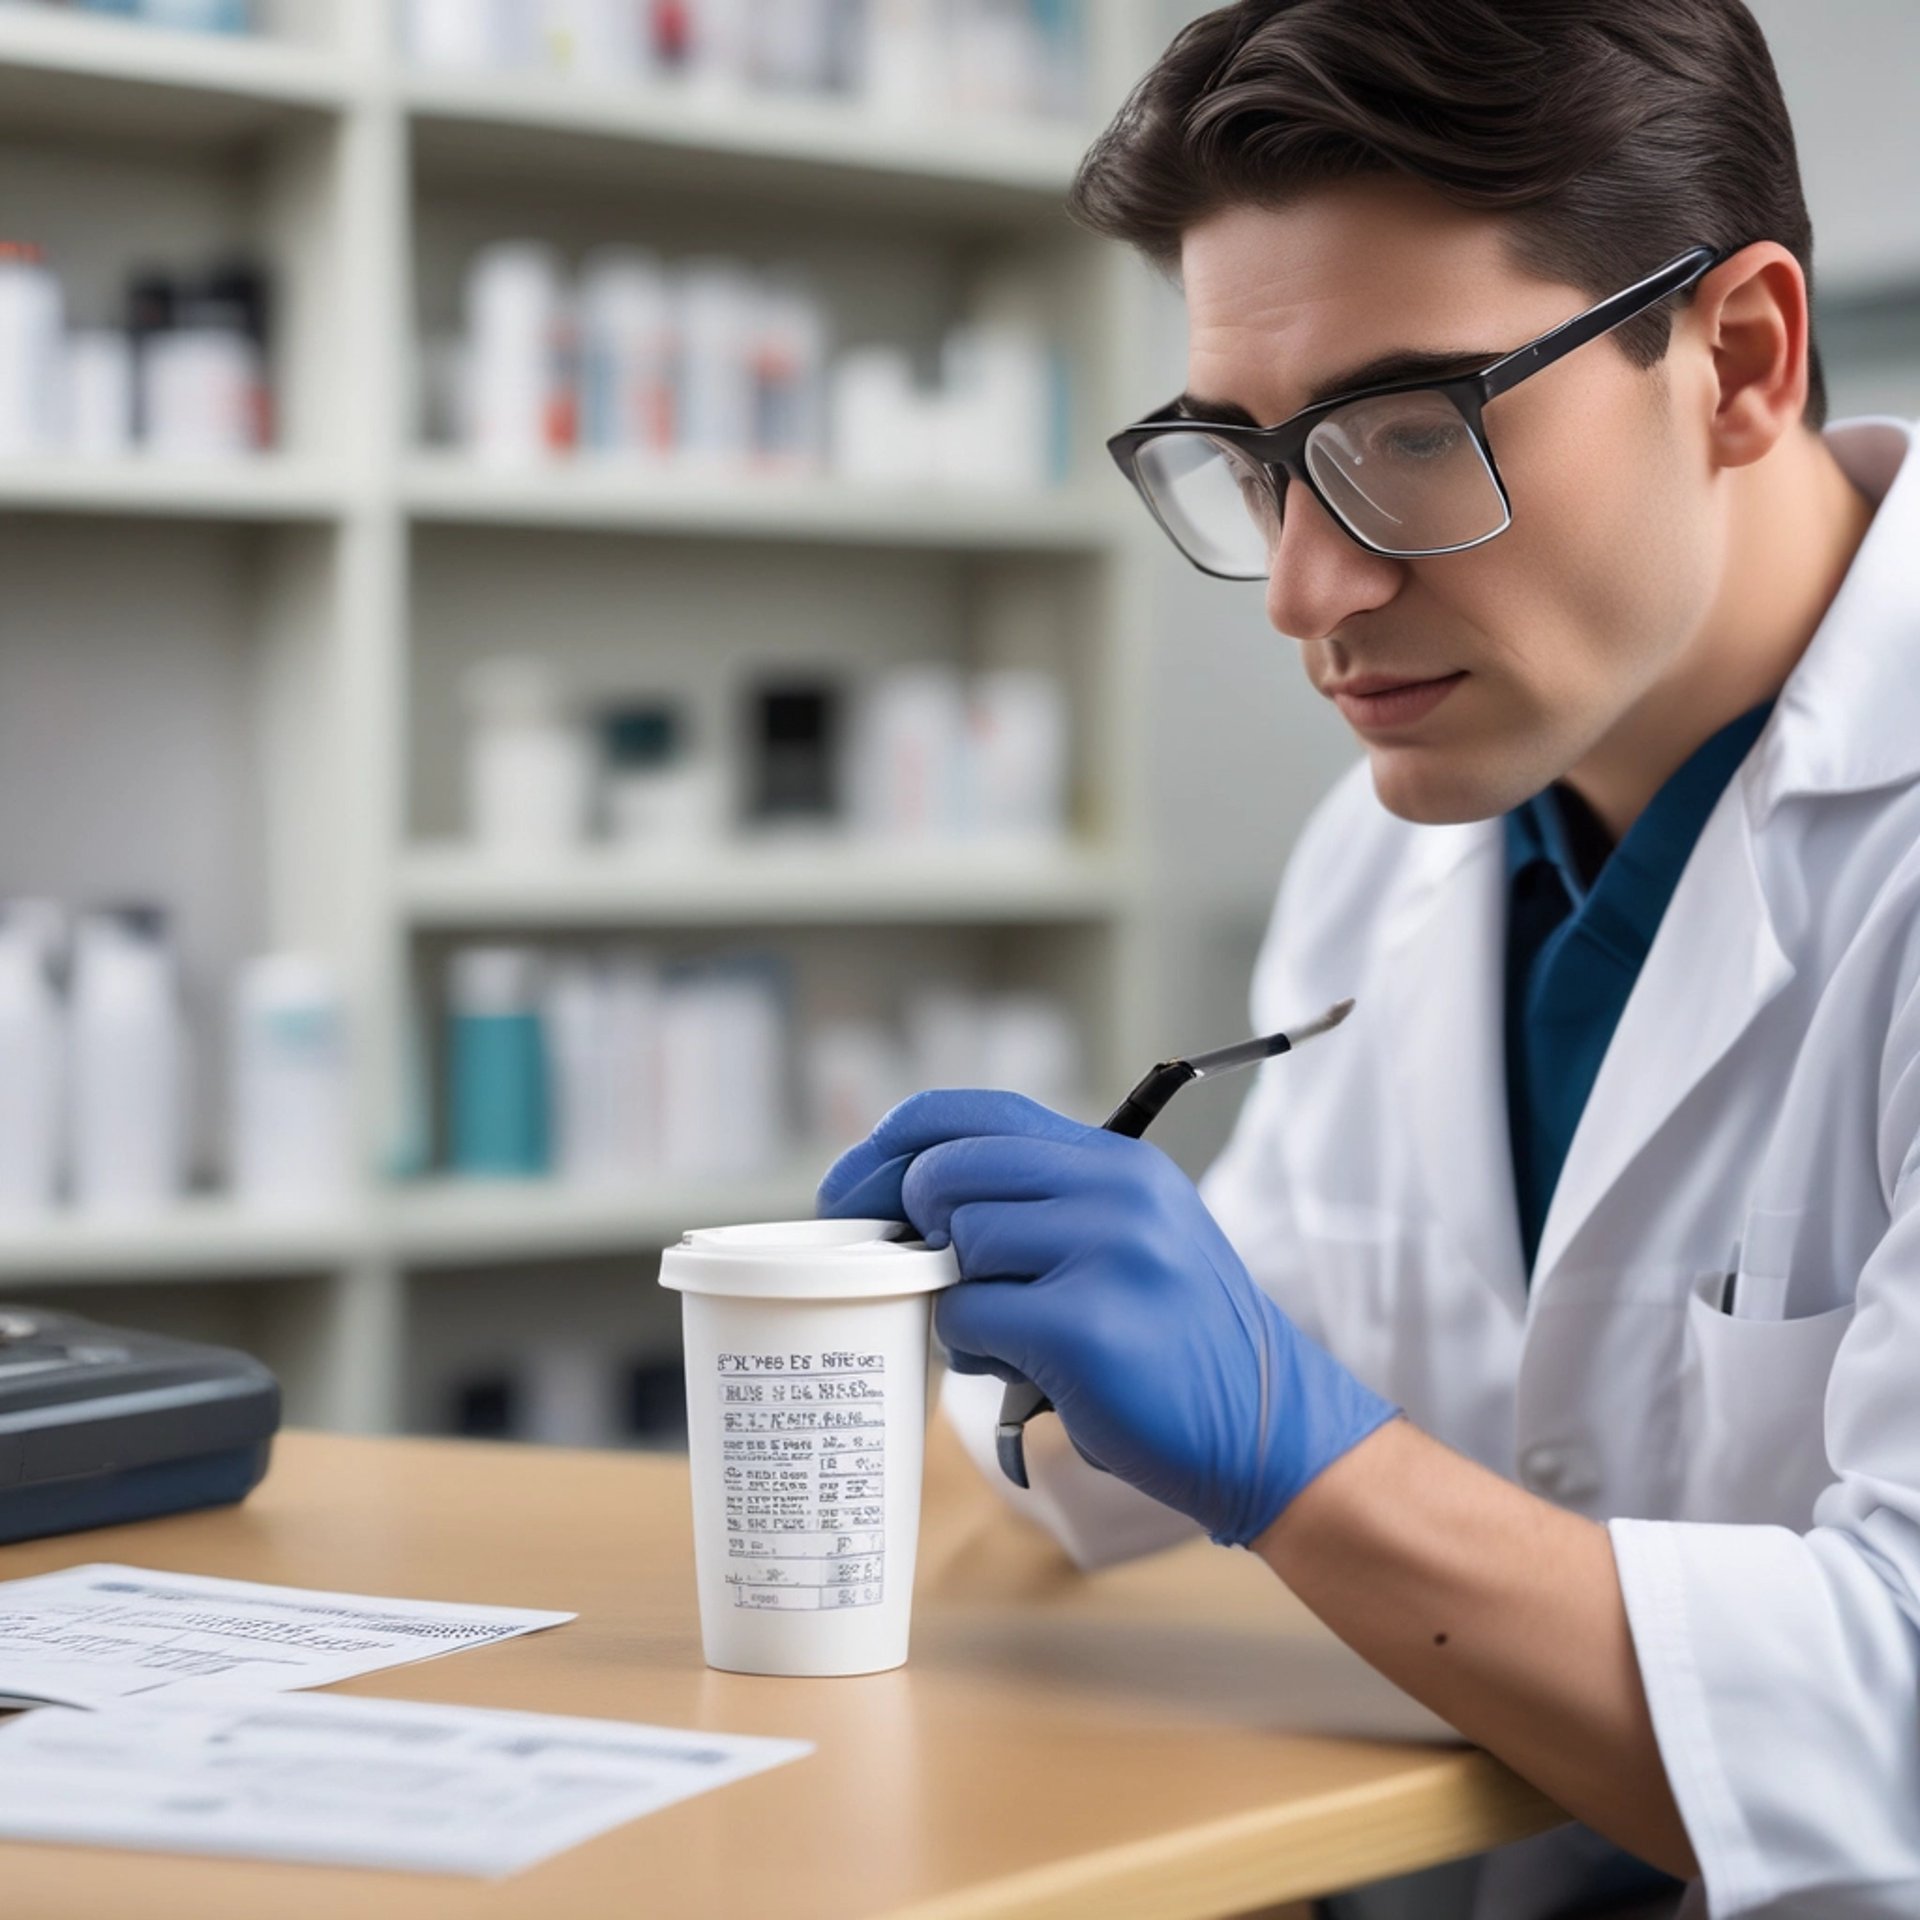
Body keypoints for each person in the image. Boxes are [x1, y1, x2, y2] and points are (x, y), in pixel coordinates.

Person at [818, 3, 1920, 1915]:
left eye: (1410, 435)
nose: (1310, 593)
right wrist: (962, 1362)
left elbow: (1895, 1739)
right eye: (1247, 460)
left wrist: (1294, 1454)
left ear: (1738, 358)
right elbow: (1257, 1348)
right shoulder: (1396, 854)